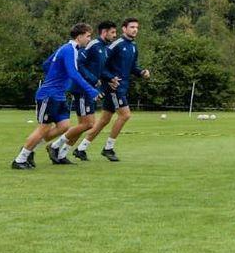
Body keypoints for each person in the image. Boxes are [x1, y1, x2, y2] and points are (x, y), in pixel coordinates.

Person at [13, 24, 102, 169]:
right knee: (44, 128)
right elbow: (73, 73)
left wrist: (58, 77)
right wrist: (91, 90)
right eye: (88, 36)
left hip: (59, 96)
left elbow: (47, 64)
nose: (89, 39)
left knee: (64, 126)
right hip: (49, 95)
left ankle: (31, 150)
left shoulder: (67, 49)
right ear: (79, 37)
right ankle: (20, 159)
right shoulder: (69, 50)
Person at [80, 17, 150, 162]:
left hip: (122, 87)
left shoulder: (133, 46)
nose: (135, 29)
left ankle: (81, 148)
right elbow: (102, 65)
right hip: (114, 88)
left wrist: (141, 72)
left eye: (136, 27)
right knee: (125, 115)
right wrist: (109, 78)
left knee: (104, 120)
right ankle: (108, 148)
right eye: (131, 27)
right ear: (124, 29)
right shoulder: (115, 45)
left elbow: (132, 67)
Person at [50, 20, 116, 162]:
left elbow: (100, 70)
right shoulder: (93, 45)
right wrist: (92, 79)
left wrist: (110, 78)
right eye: (113, 32)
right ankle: (55, 146)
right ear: (104, 32)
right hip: (81, 89)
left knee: (86, 125)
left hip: (89, 89)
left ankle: (61, 154)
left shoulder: (104, 48)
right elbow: (79, 64)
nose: (115, 35)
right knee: (87, 124)